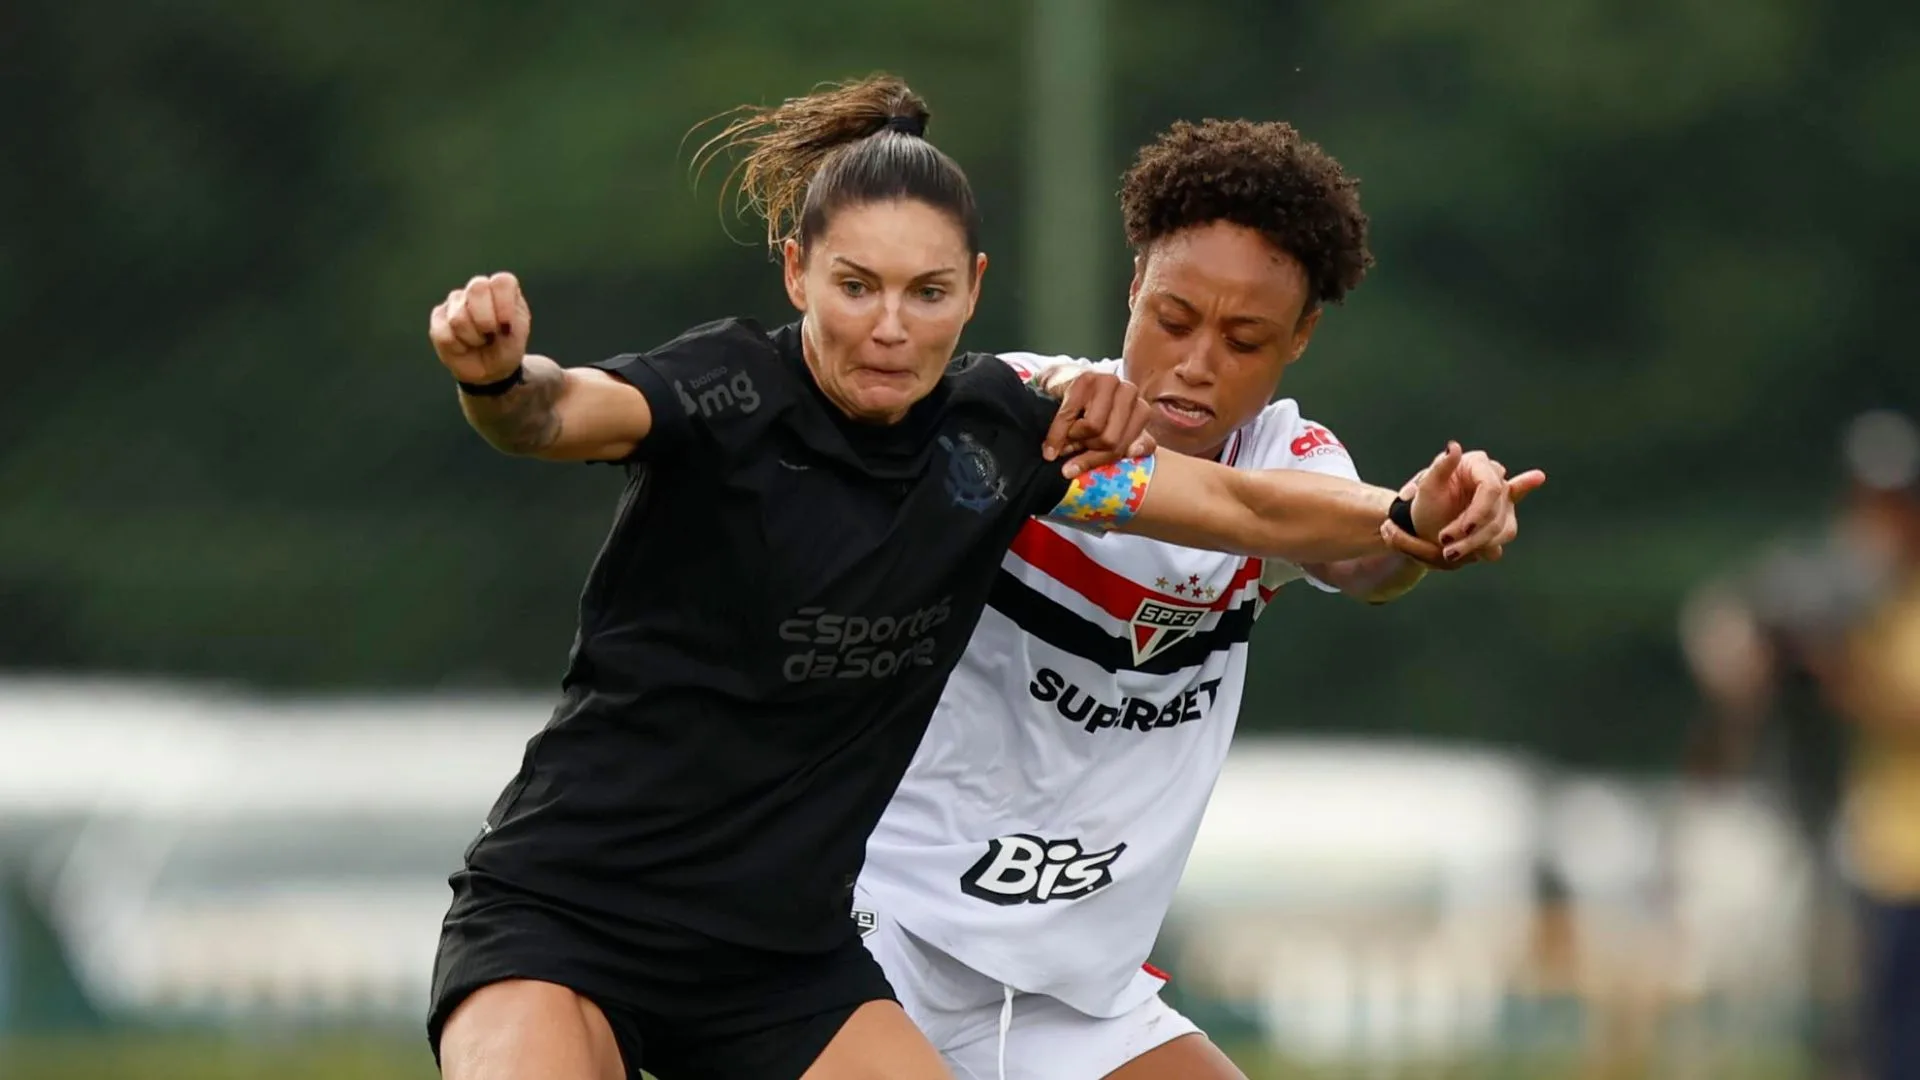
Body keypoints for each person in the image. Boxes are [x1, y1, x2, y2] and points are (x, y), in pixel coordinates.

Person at [424, 75, 1523, 1080]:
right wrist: (497, 380)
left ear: (971, 294)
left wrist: (1411, 514)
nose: (1196, 362)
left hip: (947, 975)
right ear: (799, 271)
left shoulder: (1054, 441)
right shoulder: (869, 405)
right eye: (858, 286)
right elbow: (558, 412)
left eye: (927, 294)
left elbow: (1291, 526)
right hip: (795, 923)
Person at [854, 117, 1547, 1080]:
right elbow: (1274, 512)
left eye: (1246, 338)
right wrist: (1391, 515)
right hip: (884, 940)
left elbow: (1365, 562)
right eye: (1174, 319)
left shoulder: (1287, 460)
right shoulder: (1023, 406)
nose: (1197, 362)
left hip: (1076, 990)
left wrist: (1424, 522)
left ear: (1300, 338)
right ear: (1133, 285)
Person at [1680, 409, 1920, 1080]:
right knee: (1865, 1024)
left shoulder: (1878, 592)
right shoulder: (1829, 576)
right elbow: (1731, 634)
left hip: (1874, 833)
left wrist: (1840, 671)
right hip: (1857, 831)